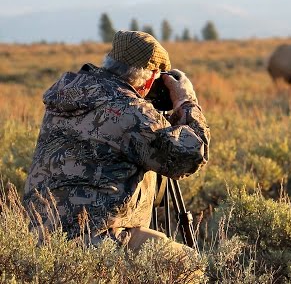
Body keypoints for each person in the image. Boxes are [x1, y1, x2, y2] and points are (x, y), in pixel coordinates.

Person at [23, 30, 210, 257]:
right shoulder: (130, 110)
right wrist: (185, 101)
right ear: (150, 78)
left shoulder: (71, 93)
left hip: (37, 234)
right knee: (186, 263)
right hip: (95, 237)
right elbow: (189, 155)